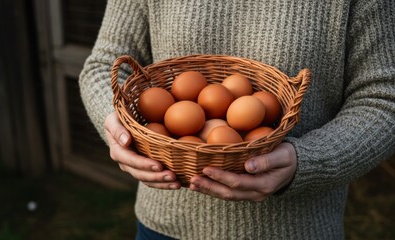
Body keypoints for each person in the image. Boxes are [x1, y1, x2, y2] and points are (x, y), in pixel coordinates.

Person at [79, 0, 395, 239]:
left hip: (295, 229)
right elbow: (106, 63)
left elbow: (383, 99)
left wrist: (306, 161)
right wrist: (117, 126)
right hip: (166, 226)